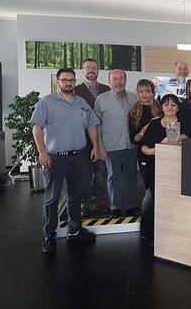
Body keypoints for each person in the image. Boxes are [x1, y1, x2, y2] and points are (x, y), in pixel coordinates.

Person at [31, 68, 99, 253]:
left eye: (71, 80)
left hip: (79, 156)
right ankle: (50, 235)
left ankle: (75, 230)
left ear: (75, 81)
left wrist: (95, 146)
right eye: (64, 80)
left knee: (76, 195)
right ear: (58, 82)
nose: (68, 83)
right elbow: (37, 128)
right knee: (52, 197)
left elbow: (92, 125)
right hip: (55, 158)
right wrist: (42, 152)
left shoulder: (82, 103)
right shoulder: (47, 102)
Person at [140, 94, 188, 242]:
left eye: (173, 105)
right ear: (161, 107)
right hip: (156, 168)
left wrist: (175, 138)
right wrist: (151, 151)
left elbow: (190, 137)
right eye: (166, 104)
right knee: (150, 200)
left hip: (179, 169)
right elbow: (143, 146)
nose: (170, 107)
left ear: (178, 108)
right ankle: (147, 233)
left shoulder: (184, 122)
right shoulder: (154, 124)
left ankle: (171, 233)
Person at [94, 69, 139, 219]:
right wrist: (99, 146)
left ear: (125, 80)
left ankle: (132, 206)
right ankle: (115, 207)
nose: (118, 82)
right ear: (109, 81)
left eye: (121, 78)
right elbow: (96, 124)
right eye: (115, 79)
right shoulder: (101, 99)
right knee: (113, 177)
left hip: (130, 145)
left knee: (132, 176)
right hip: (111, 145)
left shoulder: (134, 98)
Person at [74, 58, 111, 217]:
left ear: (98, 70)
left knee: (101, 171)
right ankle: (85, 204)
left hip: (101, 138)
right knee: (84, 173)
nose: (91, 70)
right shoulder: (75, 91)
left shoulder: (106, 89)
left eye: (94, 68)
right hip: (82, 138)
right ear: (82, 70)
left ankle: (101, 202)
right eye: (87, 68)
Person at [128, 79, 162, 189]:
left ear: (153, 93)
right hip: (144, 152)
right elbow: (134, 139)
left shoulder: (161, 109)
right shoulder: (134, 113)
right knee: (148, 184)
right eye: (141, 91)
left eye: (147, 91)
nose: (144, 94)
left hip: (161, 150)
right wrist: (145, 128)